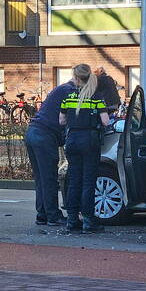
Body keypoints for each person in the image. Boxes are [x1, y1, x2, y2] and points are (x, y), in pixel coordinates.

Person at [59, 64, 112, 233]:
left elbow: (61, 120)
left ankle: (72, 220)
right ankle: (88, 221)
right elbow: (105, 121)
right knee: (88, 182)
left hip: (72, 140)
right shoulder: (96, 97)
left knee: (74, 180)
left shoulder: (68, 96)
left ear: (76, 78)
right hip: (89, 141)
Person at [24, 76, 76, 226]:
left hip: (33, 132)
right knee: (49, 178)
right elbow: (69, 118)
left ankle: (42, 214)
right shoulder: (70, 91)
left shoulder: (62, 89)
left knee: (41, 178)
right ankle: (53, 215)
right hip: (44, 136)